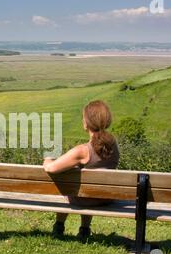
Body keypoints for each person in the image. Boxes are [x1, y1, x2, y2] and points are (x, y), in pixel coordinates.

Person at [43, 100, 119, 241]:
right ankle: (84, 229)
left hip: (84, 198)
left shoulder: (82, 151)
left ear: (86, 123)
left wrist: (47, 158)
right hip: (105, 197)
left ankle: (59, 225)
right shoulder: (113, 145)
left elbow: (51, 168)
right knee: (87, 187)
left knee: (67, 185)